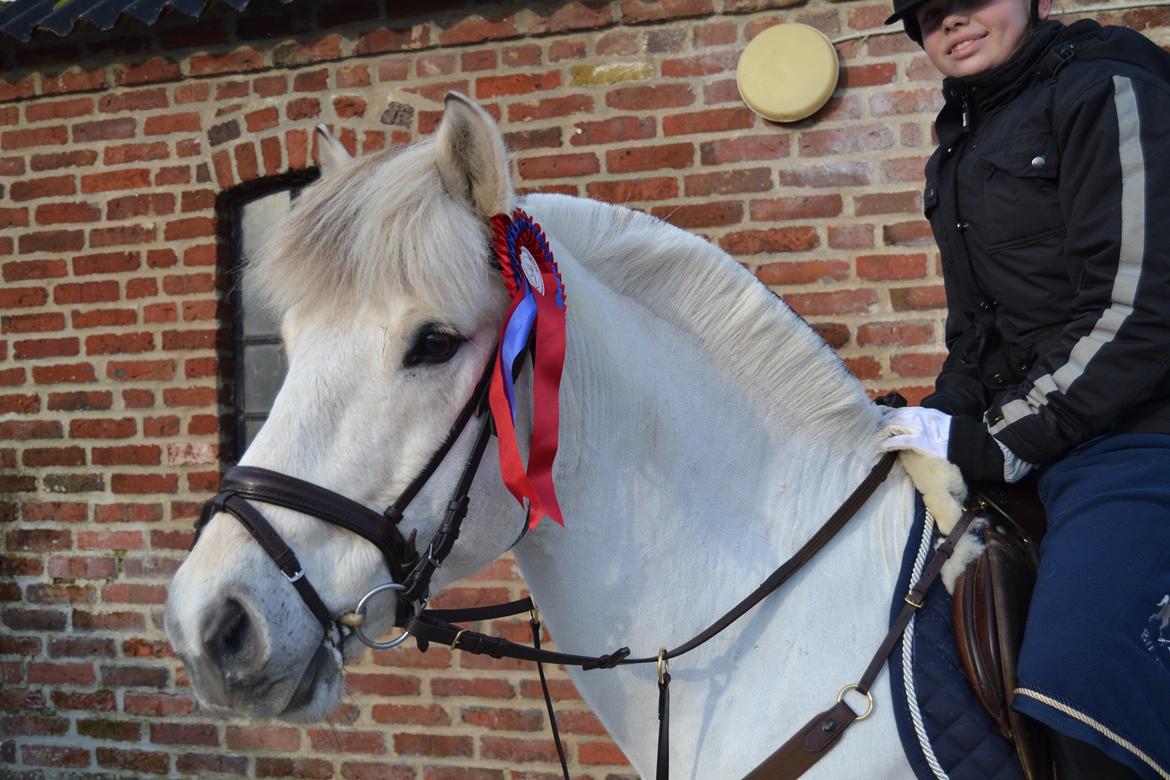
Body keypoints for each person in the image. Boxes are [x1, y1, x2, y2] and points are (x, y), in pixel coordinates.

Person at [877, 0, 1170, 776]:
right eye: (931, 12)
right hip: (1047, 436)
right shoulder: (957, 149)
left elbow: (1142, 311)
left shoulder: (1106, 86)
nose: (954, 20)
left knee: (1078, 677)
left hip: (1141, 436)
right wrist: (933, 421)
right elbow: (977, 337)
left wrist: (998, 441)